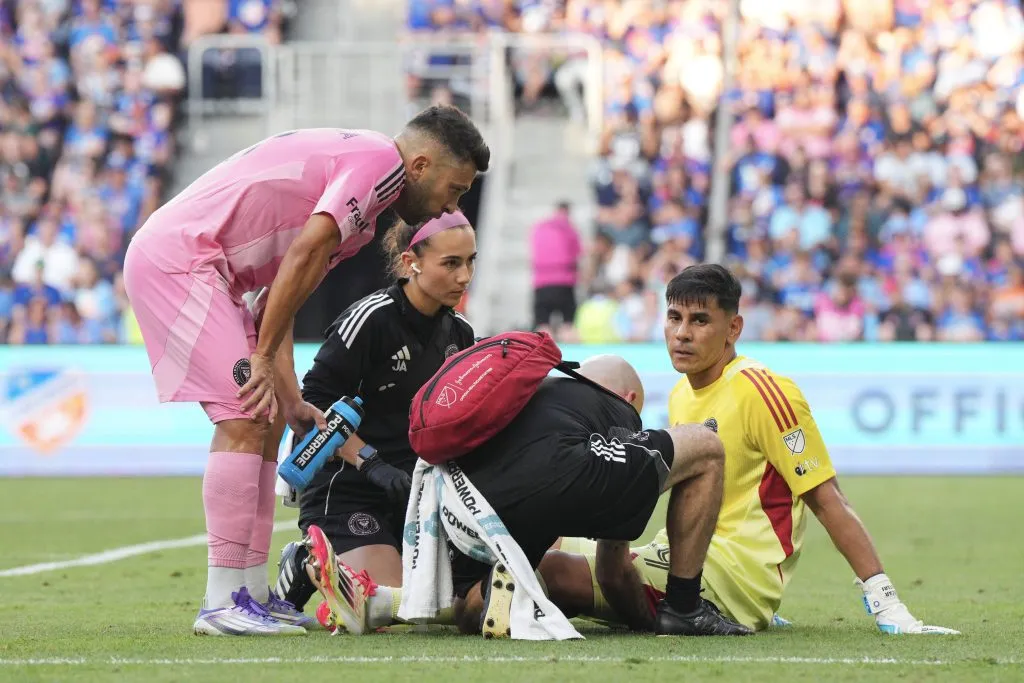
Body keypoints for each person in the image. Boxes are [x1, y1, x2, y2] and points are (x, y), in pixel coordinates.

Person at [122, 105, 489, 636]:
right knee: (245, 415)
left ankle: (250, 592)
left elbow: (283, 290)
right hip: (183, 261)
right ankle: (222, 600)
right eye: (453, 189)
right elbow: (303, 253)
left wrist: (290, 396)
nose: (449, 206)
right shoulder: (379, 164)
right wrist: (264, 359)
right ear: (422, 165)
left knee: (269, 416)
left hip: (213, 271)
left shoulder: (366, 203)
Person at [537, 264, 960, 635]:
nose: (683, 333)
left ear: (733, 329)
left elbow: (827, 499)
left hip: (735, 575)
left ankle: (714, 612)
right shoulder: (683, 393)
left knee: (552, 573)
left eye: (700, 320)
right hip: (683, 556)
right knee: (548, 544)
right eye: (674, 317)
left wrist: (886, 601)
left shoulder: (764, 391)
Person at [307, 352, 754, 637]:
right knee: (706, 447)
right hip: (559, 470)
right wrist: (652, 619)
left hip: (462, 491)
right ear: (628, 396)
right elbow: (613, 571)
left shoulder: (533, 389)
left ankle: (390, 601)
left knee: (470, 605)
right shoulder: (616, 411)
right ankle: (686, 606)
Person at [271, 212, 477, 620]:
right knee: (392, 609)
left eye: (471, 261)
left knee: (441, 608)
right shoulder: (370, 319)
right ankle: (306, 561)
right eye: (451, 263)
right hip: (347, 488)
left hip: (416, 495)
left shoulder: (462, 336)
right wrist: (371, 462)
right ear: (410, 262)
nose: (464, 276)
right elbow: (314, 408)